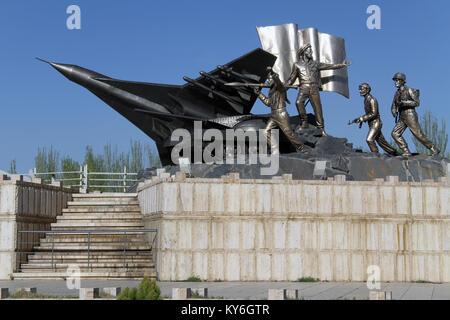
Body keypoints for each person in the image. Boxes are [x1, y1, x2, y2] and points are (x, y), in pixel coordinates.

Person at [286, 43, 352, 136]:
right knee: (298, 102)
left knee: (317, 108)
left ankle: (321, 129)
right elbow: (291, 79)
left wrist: (342, 65)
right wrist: (283, 87)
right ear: (304, 52)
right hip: (303, 87)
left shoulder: (315, 64)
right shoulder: (297, 65)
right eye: (309, 50)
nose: (311, 52)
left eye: (311, 50)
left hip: (314, 88)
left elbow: (329, 66)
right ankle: (304, 122)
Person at [254, 69, 305, 154]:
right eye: (268, 79)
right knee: (266, 131)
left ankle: (302, 148)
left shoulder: (280, 88)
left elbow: (278, 81)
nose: (268, 81)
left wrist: (273, 73)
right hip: (274, 115)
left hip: (281, 114)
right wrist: (259, 94)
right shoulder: (270, 92)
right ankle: (275, 151)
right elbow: (268, 103)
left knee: (288, 133)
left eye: (270, 79)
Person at [390, 72, 439, 156]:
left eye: (398, 80)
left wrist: (404, 103)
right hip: (402, 116)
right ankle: (406, 150)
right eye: (395, 80)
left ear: (402, 81)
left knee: (418, 134)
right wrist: (393, 110)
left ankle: (433, 148)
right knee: (395, 134)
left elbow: (416, 103)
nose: (396, 82)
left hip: (410, 114)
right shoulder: (397, 93)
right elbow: (394, 105)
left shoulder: (410, 90)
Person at [349, 83, 398, 155]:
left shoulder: (372, 100)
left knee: (369, 139)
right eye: (359, 89)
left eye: (361, 89)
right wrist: (359, 119)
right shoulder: (366, 100)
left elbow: (374, 113)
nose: (359, 91)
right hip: (371, 123)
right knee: (382, 142)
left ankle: (375, 154)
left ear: (367, 90)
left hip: (376, 123)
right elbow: (368, 114)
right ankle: (394, 153)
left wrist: (362, 118)